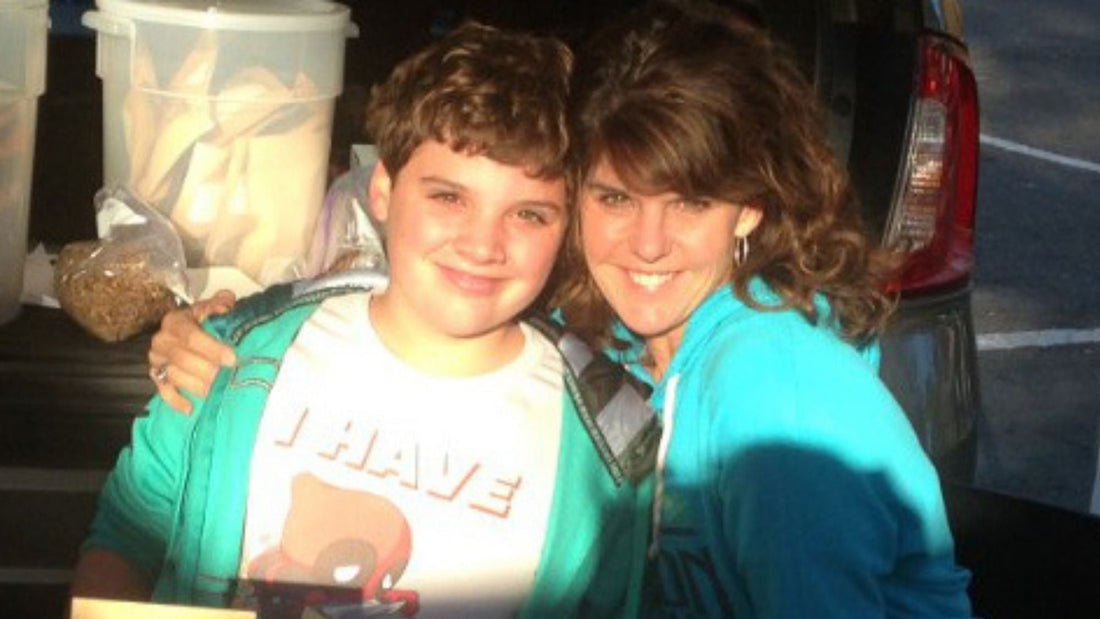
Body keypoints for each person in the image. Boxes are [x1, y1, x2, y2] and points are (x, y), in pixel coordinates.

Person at [149, 2, 974, 617]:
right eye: (615, 196)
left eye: (687, 202)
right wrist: (220, 328)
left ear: (749, 209)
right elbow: (445, 281)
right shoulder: (628, 344)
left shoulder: (770, 392)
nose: (645, 244)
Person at [72, 22, 654, 618]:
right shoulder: (234, 355)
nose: (483, 244)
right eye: (449, 198)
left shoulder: (608, 446)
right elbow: (128, 535)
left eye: (529, 214)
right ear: (382, 189)